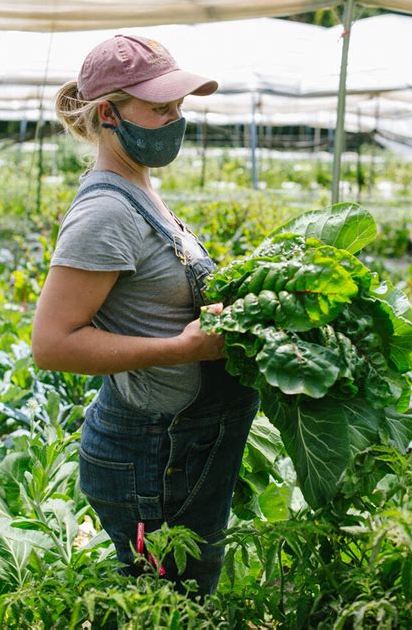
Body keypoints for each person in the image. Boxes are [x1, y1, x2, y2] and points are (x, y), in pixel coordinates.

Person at [32, 34, 259, 597]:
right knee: (167, 603)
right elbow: (52, 344)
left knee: (175, 597)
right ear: (109, 113)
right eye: (160, 108)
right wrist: (180, 350)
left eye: (178, 105)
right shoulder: (106, 211)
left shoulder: (139, 187)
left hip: (180, 448)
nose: (175, 118)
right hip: (155, 458)